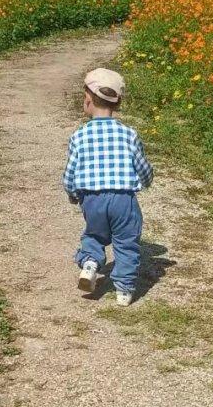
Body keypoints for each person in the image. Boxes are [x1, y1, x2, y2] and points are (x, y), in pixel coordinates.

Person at [62, 67, 153, 306]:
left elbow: (70, 172)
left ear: (88, 100)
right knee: (126, 241)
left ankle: (90, 264)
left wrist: (73, 194)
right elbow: (142, 166)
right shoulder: (128, 134)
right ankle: (124, 290)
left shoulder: (79, 136)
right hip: (124, 199)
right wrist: (146, 181)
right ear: (117, 103)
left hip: (92, 199)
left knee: (94, 234)